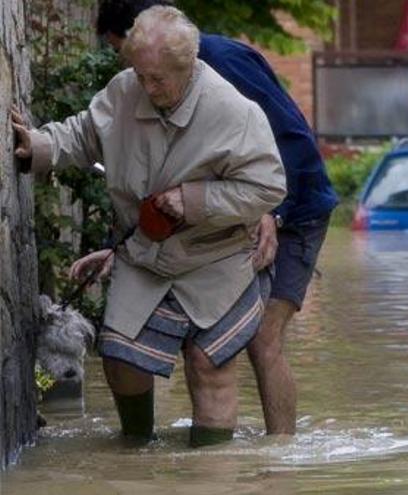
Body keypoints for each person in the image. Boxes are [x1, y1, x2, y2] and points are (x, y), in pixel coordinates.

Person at [11, 6, 287, 447]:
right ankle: (136, 450)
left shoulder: (235, 112)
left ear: (190, 67)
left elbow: (268, 187)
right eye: (140, 75)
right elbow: (84, 134)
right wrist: (39, 146)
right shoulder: (126, 90)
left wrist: (194, 200)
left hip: (215, 257)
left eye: (158, 79)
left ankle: (208, 472)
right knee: (120, 360)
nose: (147, 87)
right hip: (144, 253)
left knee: (208, 364)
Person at [90, 0, 338, 435]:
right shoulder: (155, 89)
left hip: (297, 208)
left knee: (263, 339)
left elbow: (291, 138)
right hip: (237, 212)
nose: (124, 64)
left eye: (121, 48)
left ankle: (279, 461)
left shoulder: (218, 64)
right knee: (214, 345)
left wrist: (272, 214)